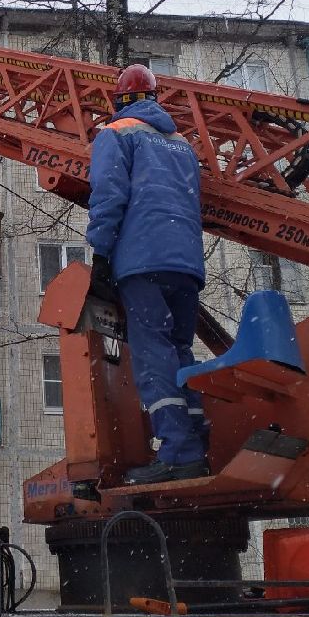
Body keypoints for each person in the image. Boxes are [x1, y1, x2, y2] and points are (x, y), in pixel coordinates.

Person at [86, 63, 209, 485]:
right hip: (186, 264)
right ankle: (196, 440)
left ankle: (177, 452)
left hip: (143, 260)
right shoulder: (183, 146)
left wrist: (100, 254)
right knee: (180, 352)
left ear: (120, 100)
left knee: (153, 354)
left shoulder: (115, 134)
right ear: (156, 99)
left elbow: (108, 194)